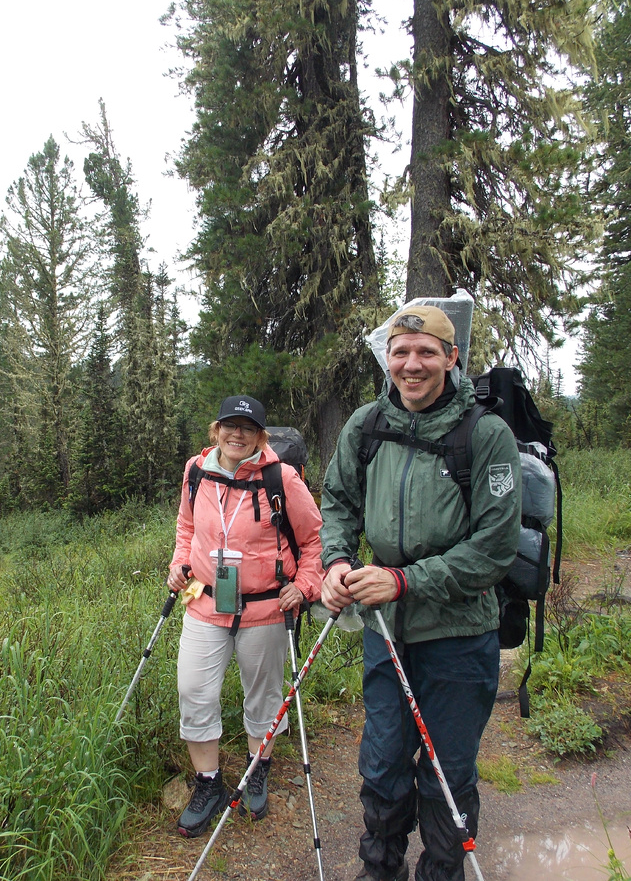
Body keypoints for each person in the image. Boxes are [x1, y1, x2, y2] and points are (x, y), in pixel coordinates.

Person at [319, 305, 522, 881]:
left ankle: (441, 872)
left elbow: (494, 546)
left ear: (451, 359)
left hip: (459, 635)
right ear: (387, 357)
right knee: (381, 764)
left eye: (426, 352)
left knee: (446, 772)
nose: (412, 364)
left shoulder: (485, 435)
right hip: (387, 633)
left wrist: (404, 581)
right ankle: (380, 871)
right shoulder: (366, 424)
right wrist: (336, 561)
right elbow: (337, 502)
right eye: (401, 352)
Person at [167, 395, 324, 838]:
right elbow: (186, 527)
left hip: (266, 608)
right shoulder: (196, 472)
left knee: (263, 697)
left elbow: (314, 541)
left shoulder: (282, 478)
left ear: (260, 436)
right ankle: (208, 784)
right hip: (204, 601)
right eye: (229, 426)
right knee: (193, 690)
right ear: (215, 430)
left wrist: (306, 585)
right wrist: (179, 563)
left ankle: (258, 771)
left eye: (248, 428)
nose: (237, 434)